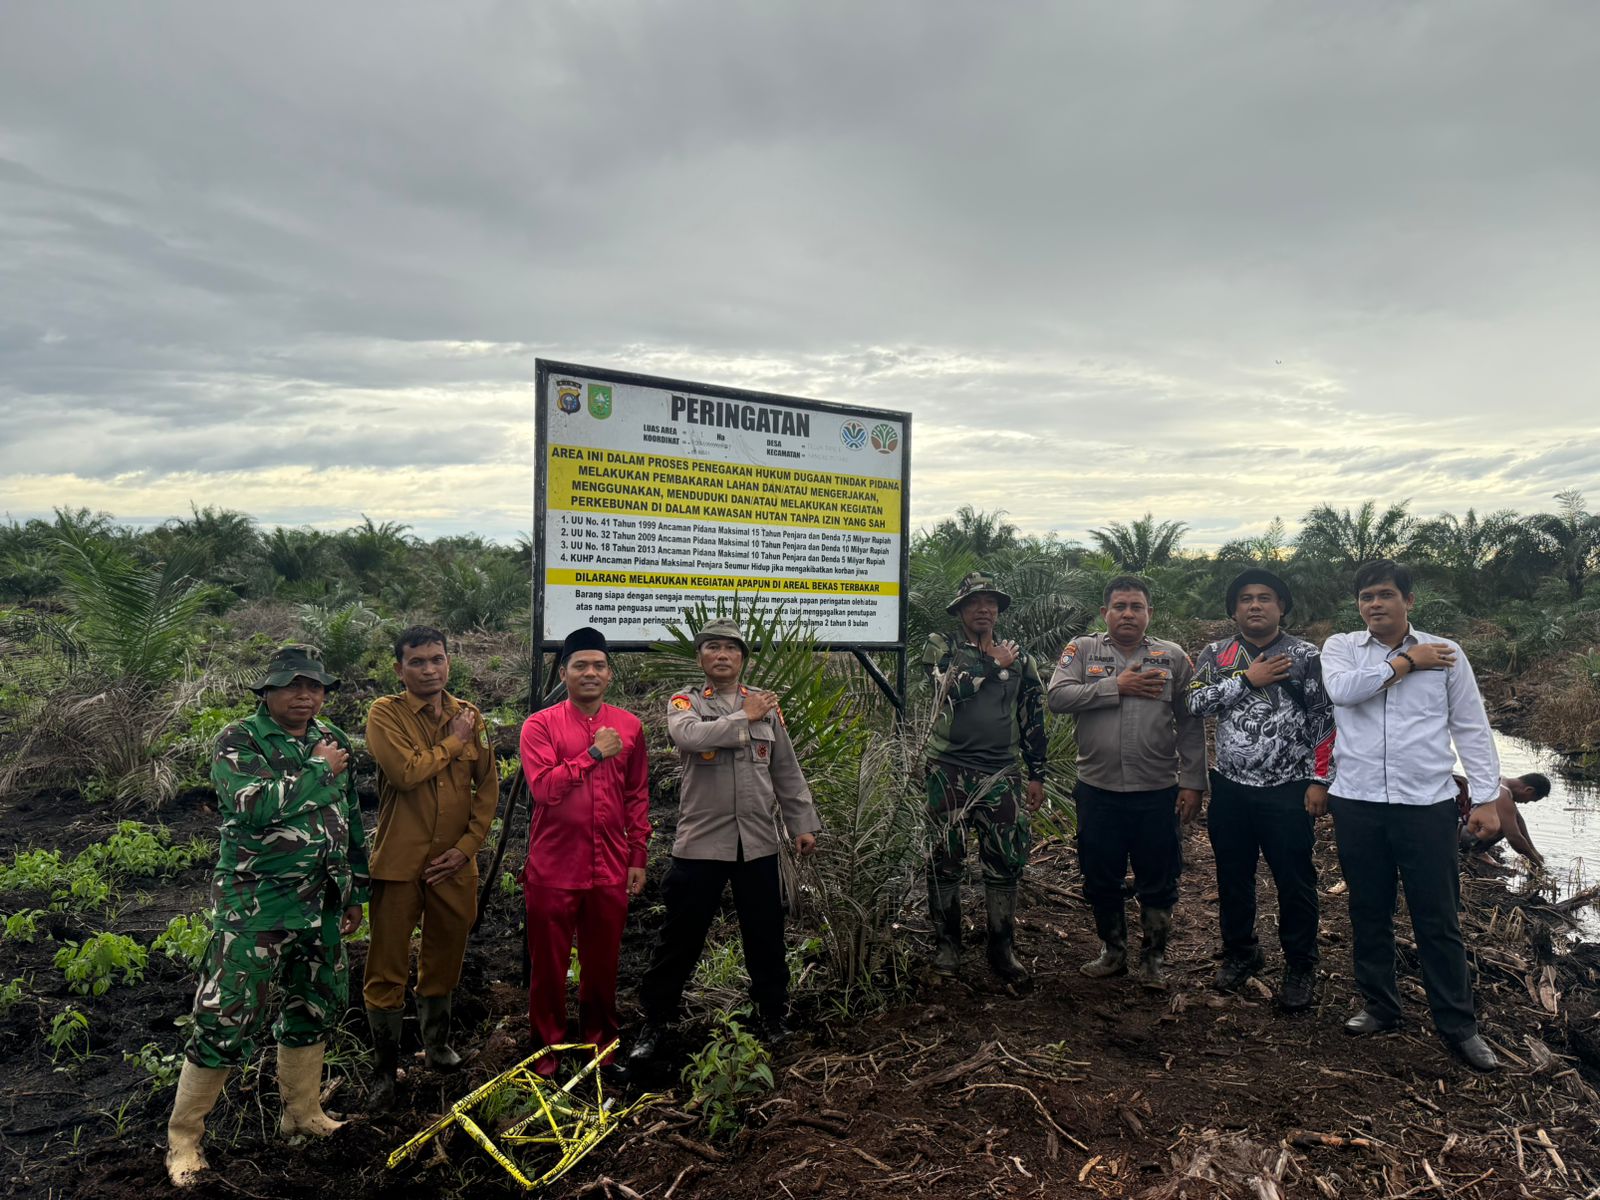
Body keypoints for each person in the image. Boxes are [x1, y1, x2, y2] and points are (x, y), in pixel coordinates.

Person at [165, 645, 369, 1188]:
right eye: (293, 686)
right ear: (268, 692)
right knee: (226, 1014)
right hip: (257, 905)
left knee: (315, 1004)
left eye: (315, 687)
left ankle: (301, 1116)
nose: (305, 696)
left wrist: (355, 891)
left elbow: (348, 817)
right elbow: (251, 805)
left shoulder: (335, 740)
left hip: (321, 904)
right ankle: (184, 1139)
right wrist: (316, 769)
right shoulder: (240, 739)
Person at [1321, 560, 1501, 1072]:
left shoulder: (1447, 654)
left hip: (1426, 804)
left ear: (1408, 601)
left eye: (1384, 594)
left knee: (1437, 916)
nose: (1374, 604)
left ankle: (1458, 1024)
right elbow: (1343, 692)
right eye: (1365, 597)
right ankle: (1380, 1005)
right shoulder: (1341, 649)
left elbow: (1471, 726)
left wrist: (1486, 798)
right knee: (1369, 908)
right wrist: (1405, 663)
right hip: (1356, 801)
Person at [630, 620, 821, 1062]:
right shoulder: (687, 702)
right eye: (712, 647)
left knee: (766, 936)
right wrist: (743, 717)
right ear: (700, 658)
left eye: (730, 649)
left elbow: (785, 769)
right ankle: (655, 1022)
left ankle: (774, 1016)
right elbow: (689, 736)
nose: (722, 655)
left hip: (756, 842)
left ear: (741, 658)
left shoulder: (767, 707)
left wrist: (801, 824)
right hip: (701, 843)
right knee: (680, 937)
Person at [362, 626, 498, 1107]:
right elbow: (405, 773)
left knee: (445, 957)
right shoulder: (385, 714)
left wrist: (467, 848)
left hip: (454, 865)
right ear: (399, 669)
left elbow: (487, 790)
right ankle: (384, 1069)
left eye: (437, 659)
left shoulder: (469, 715)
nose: (428, 669)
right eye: (416, 662)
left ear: (449, 662)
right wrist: (453, 744)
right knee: (387, 966)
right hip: (400, 863)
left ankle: (437, 1047)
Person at [1186, 568, 1334, 1010]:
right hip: (1230, 787)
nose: (1255, 605)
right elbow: (1194, 703)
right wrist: (1248, 680)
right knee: (1233, 877)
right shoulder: (1216, 653)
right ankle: (1241, 953)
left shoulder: (1306, 655)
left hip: (1288, 790)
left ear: (1281, 607)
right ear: (1233, 609)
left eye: (1265, 598)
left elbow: (1324, 720)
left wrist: (1319, 780)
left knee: (1295, 880)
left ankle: (1300, 966)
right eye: (1246, 598)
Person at [1048, 576, 1205, 985]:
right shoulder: (1082, 650)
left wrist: (1192, 781)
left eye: (1137, 606)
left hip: (1157, 791)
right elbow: (1058, 697)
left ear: (1149, 613)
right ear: (1105, 613)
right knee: (1100, 875)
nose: (1128, 614)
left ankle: (1154, 958)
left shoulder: (1171, 656)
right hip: (1098, 790)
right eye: (1120, 606)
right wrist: (1113, 687)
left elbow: (1190, 722)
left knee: (1160, 876)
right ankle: (1113, 951)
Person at [518, 627, 650, 1075]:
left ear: (609, 674)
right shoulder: (540, 725)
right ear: (564, 672)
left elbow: (637, 796)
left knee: (602, 965)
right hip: (553, 866)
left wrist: (638, 857)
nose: (589, 673)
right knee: (549, 969)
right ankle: (546, 1054)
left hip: (610, 866)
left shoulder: (630, 727)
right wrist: (593, 753)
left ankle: (602, 1049)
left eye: (598, 666)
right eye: (580, 666)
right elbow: (543, 790)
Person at [920, 571, 1047, 986]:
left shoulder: (1020, 655)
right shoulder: (942, 646)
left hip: (1002, 773)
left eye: (991, 602)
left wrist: (1037, 773)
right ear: (960, 610)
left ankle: (1001, 948)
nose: (984, 609)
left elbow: (1032, 716)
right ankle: (948, 945)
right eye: (975, 602)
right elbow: (948, 690)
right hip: (948, 770)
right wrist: (993, 665)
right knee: (945, 859)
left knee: (1006, 861)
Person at [1459, 772, 1550, 865]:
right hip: (1458, 835)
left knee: (1510, 820)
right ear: (1528, 790)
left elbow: (1519, 820)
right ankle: (1476, 852)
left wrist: (1534, 850)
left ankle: (1476, 850)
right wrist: (1536, 863)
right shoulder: (1503, 796)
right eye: (1530, 800)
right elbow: (1513, 837)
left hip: (1459, 826)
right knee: (1505, 824)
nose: (1526, 802)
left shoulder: (1502, 782)